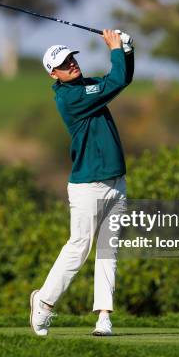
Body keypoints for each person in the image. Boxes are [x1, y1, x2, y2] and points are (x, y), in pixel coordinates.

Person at [30, 29, 134, 337]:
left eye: (71, 58)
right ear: (54, 74)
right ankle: (44, 303)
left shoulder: (87, 85)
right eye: (63, 64)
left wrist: (126, 49)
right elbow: (117, 81)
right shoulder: (71, 97)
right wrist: (115, 49)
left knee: (108, 251)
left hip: (116, 181)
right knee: (79, 247)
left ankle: (104, 317)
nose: (71, 64)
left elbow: (121, 77)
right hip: (88, 185)